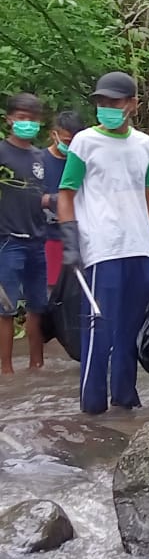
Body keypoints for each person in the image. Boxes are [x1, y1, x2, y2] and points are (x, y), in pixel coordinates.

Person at [57, 72, 149, 414]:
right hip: (102, 249)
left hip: (141, 251)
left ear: (133, 104)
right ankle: (92, 410)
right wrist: (70, 240)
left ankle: (125, 401)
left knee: (130, 332)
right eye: (102, 103)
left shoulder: (144, 144)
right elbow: (66, 194)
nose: (107, 108)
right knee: (99, 332)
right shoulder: (85, 142)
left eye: (115, 102)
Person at [0, 94, 48, 374]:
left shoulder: (39, 157)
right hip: (7, 241)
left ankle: (36, 367)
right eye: (21, 117)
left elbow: (39, 197)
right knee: (5, 311)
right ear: (9, 119)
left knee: (37, 308)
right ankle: (6, 371)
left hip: (37, 241)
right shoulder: (2, 153)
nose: (26, 123)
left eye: (31, 119)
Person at [42, 110, 85, 291]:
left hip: (79, 238)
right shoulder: (40, 160)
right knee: (47, 296)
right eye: (68, 142)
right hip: (48, 238)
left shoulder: (82, 162)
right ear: (54, 134)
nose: (72, 147)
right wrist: (56, 201)